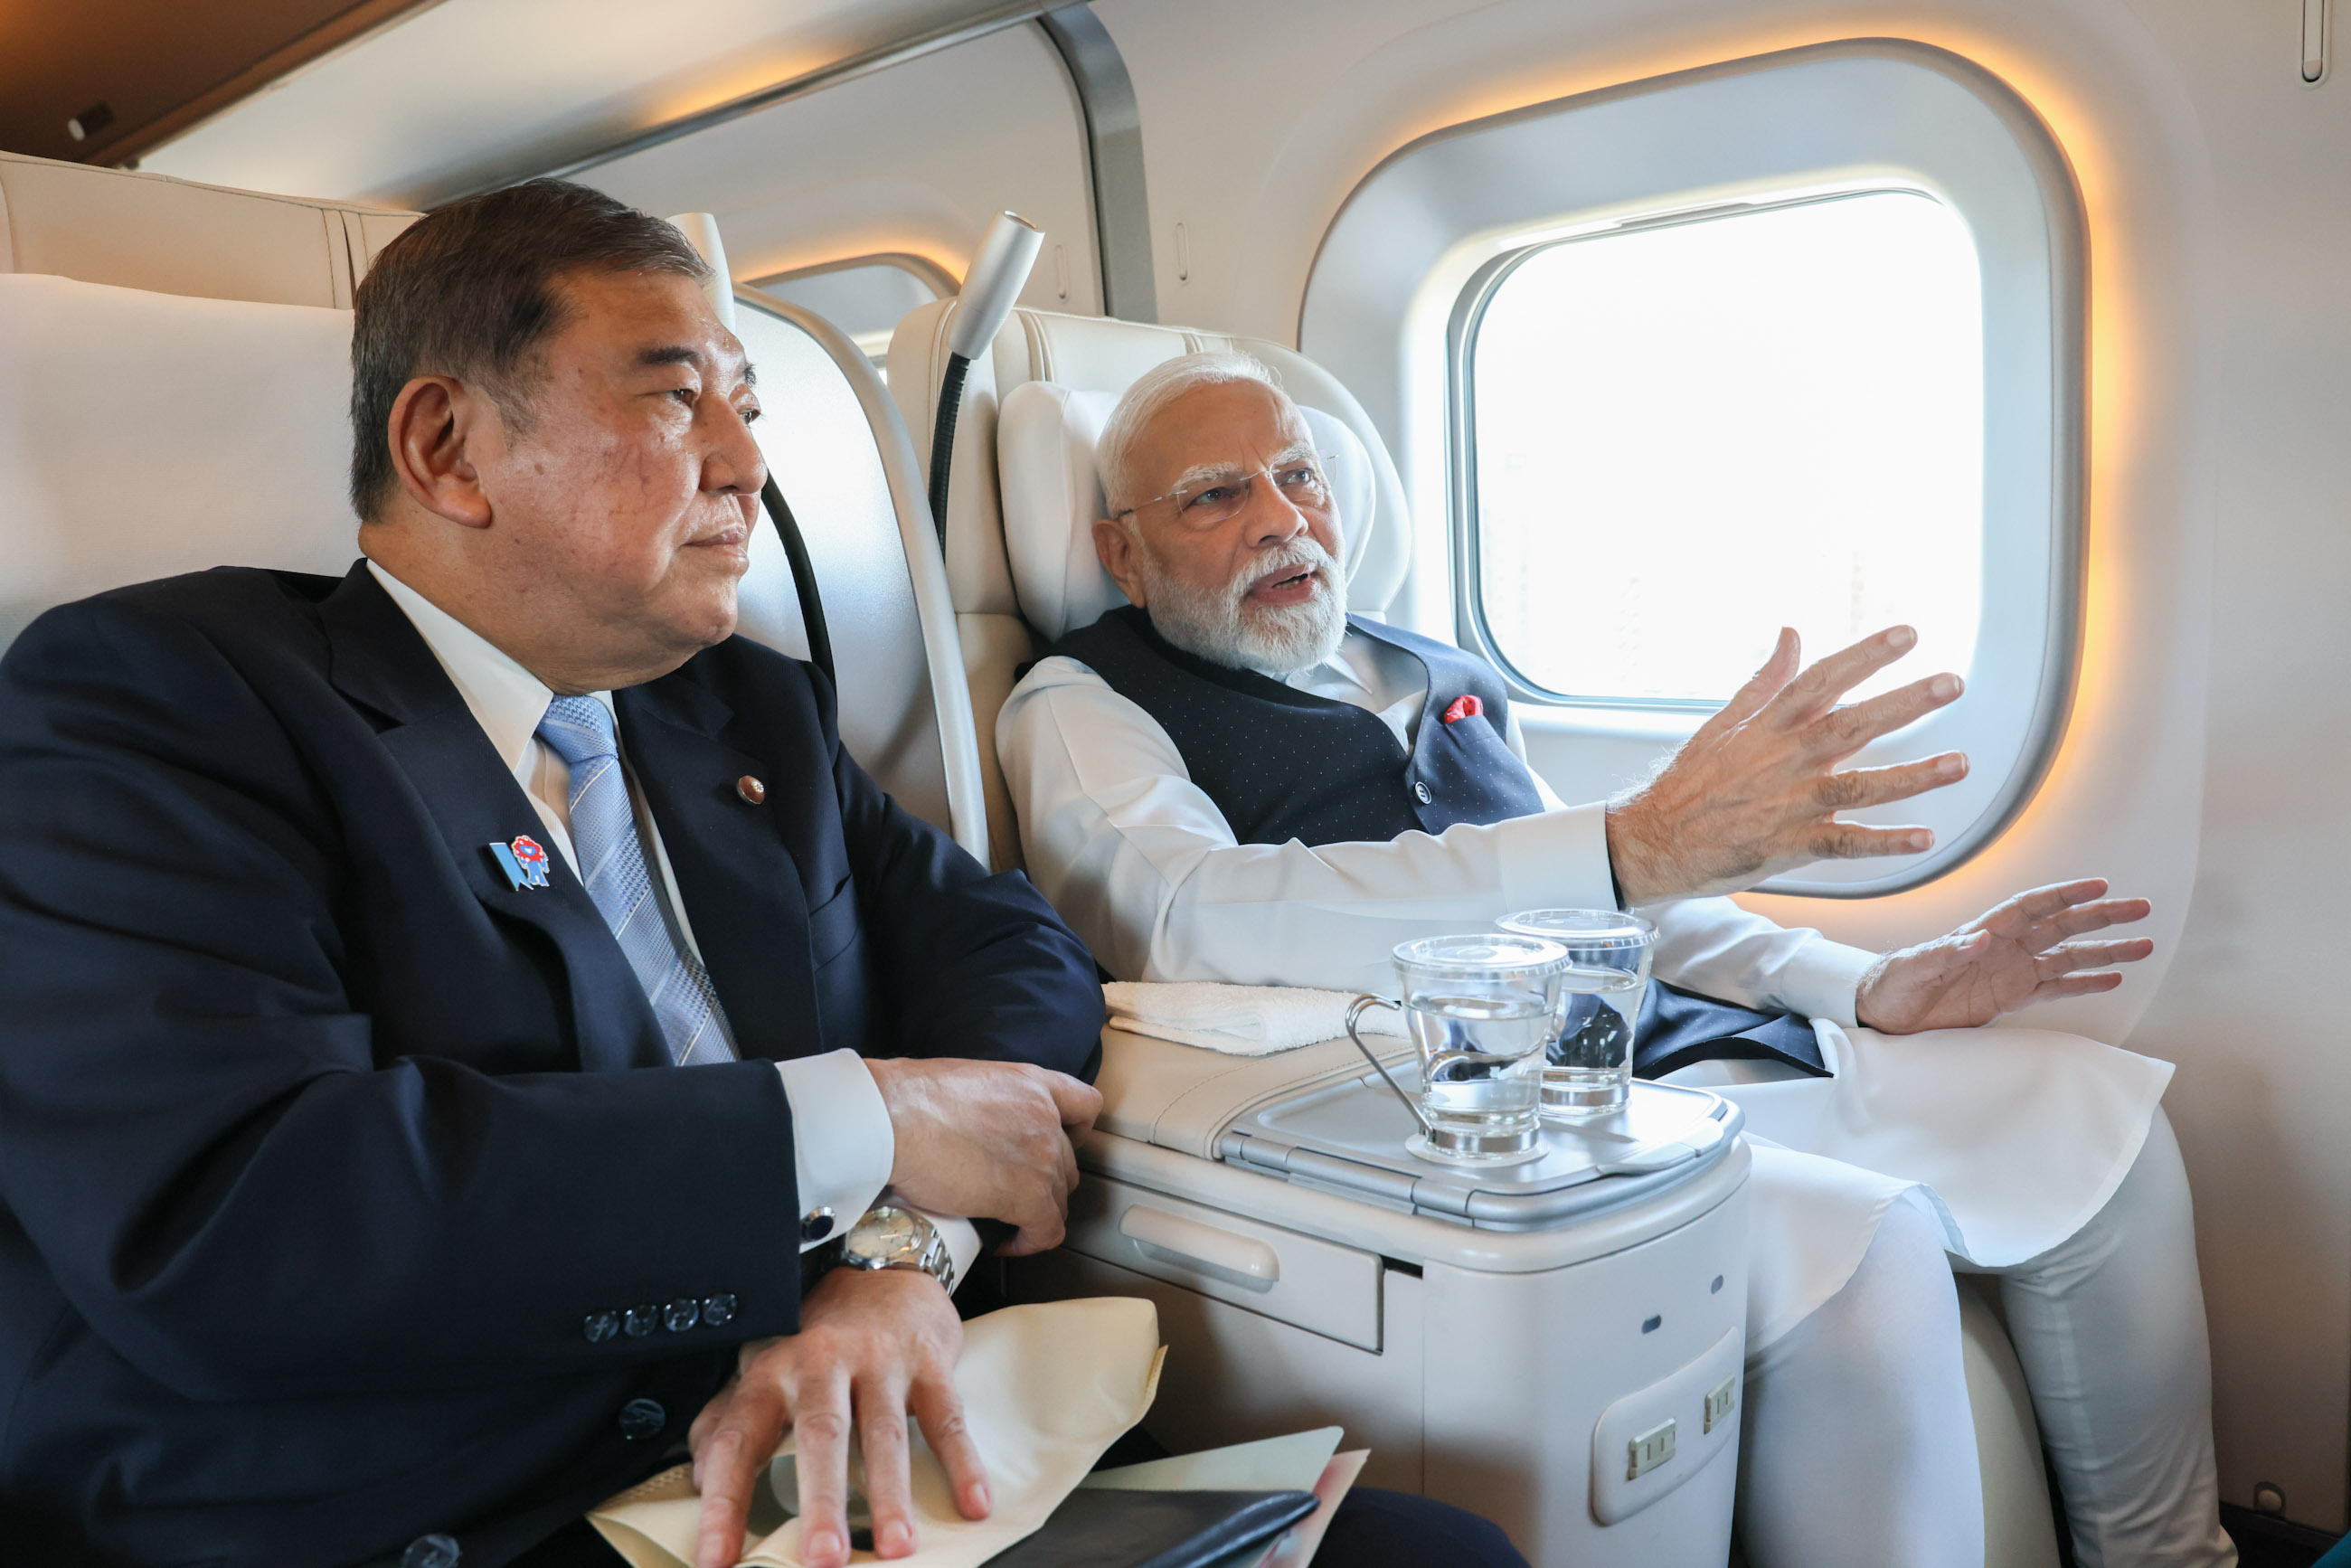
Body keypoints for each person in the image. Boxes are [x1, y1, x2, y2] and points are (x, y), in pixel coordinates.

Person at [0, 190, 1524, 1568]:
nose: (748, 463)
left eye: (748, 403)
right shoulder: (157, 697)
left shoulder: (740, 707)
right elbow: (239, 1216)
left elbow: (1014, 954)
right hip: (453, 1504)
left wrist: (892, 1249)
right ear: (446, 450)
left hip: (860, 1431)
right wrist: (866, 1122)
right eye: (678, 402)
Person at [997, 350, 2236, 1568]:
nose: (1282, 519)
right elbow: (1190, 911)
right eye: (1217, 495)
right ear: (1119, 550)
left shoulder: (1434, 666)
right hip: (1446, 1114)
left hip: (1643, 1048)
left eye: (1301, 475)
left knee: (2094, 1113)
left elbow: (1625, 893)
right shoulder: (1083, 700)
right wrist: (1626, 842)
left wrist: (1862, 983)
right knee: (1871, 1245)